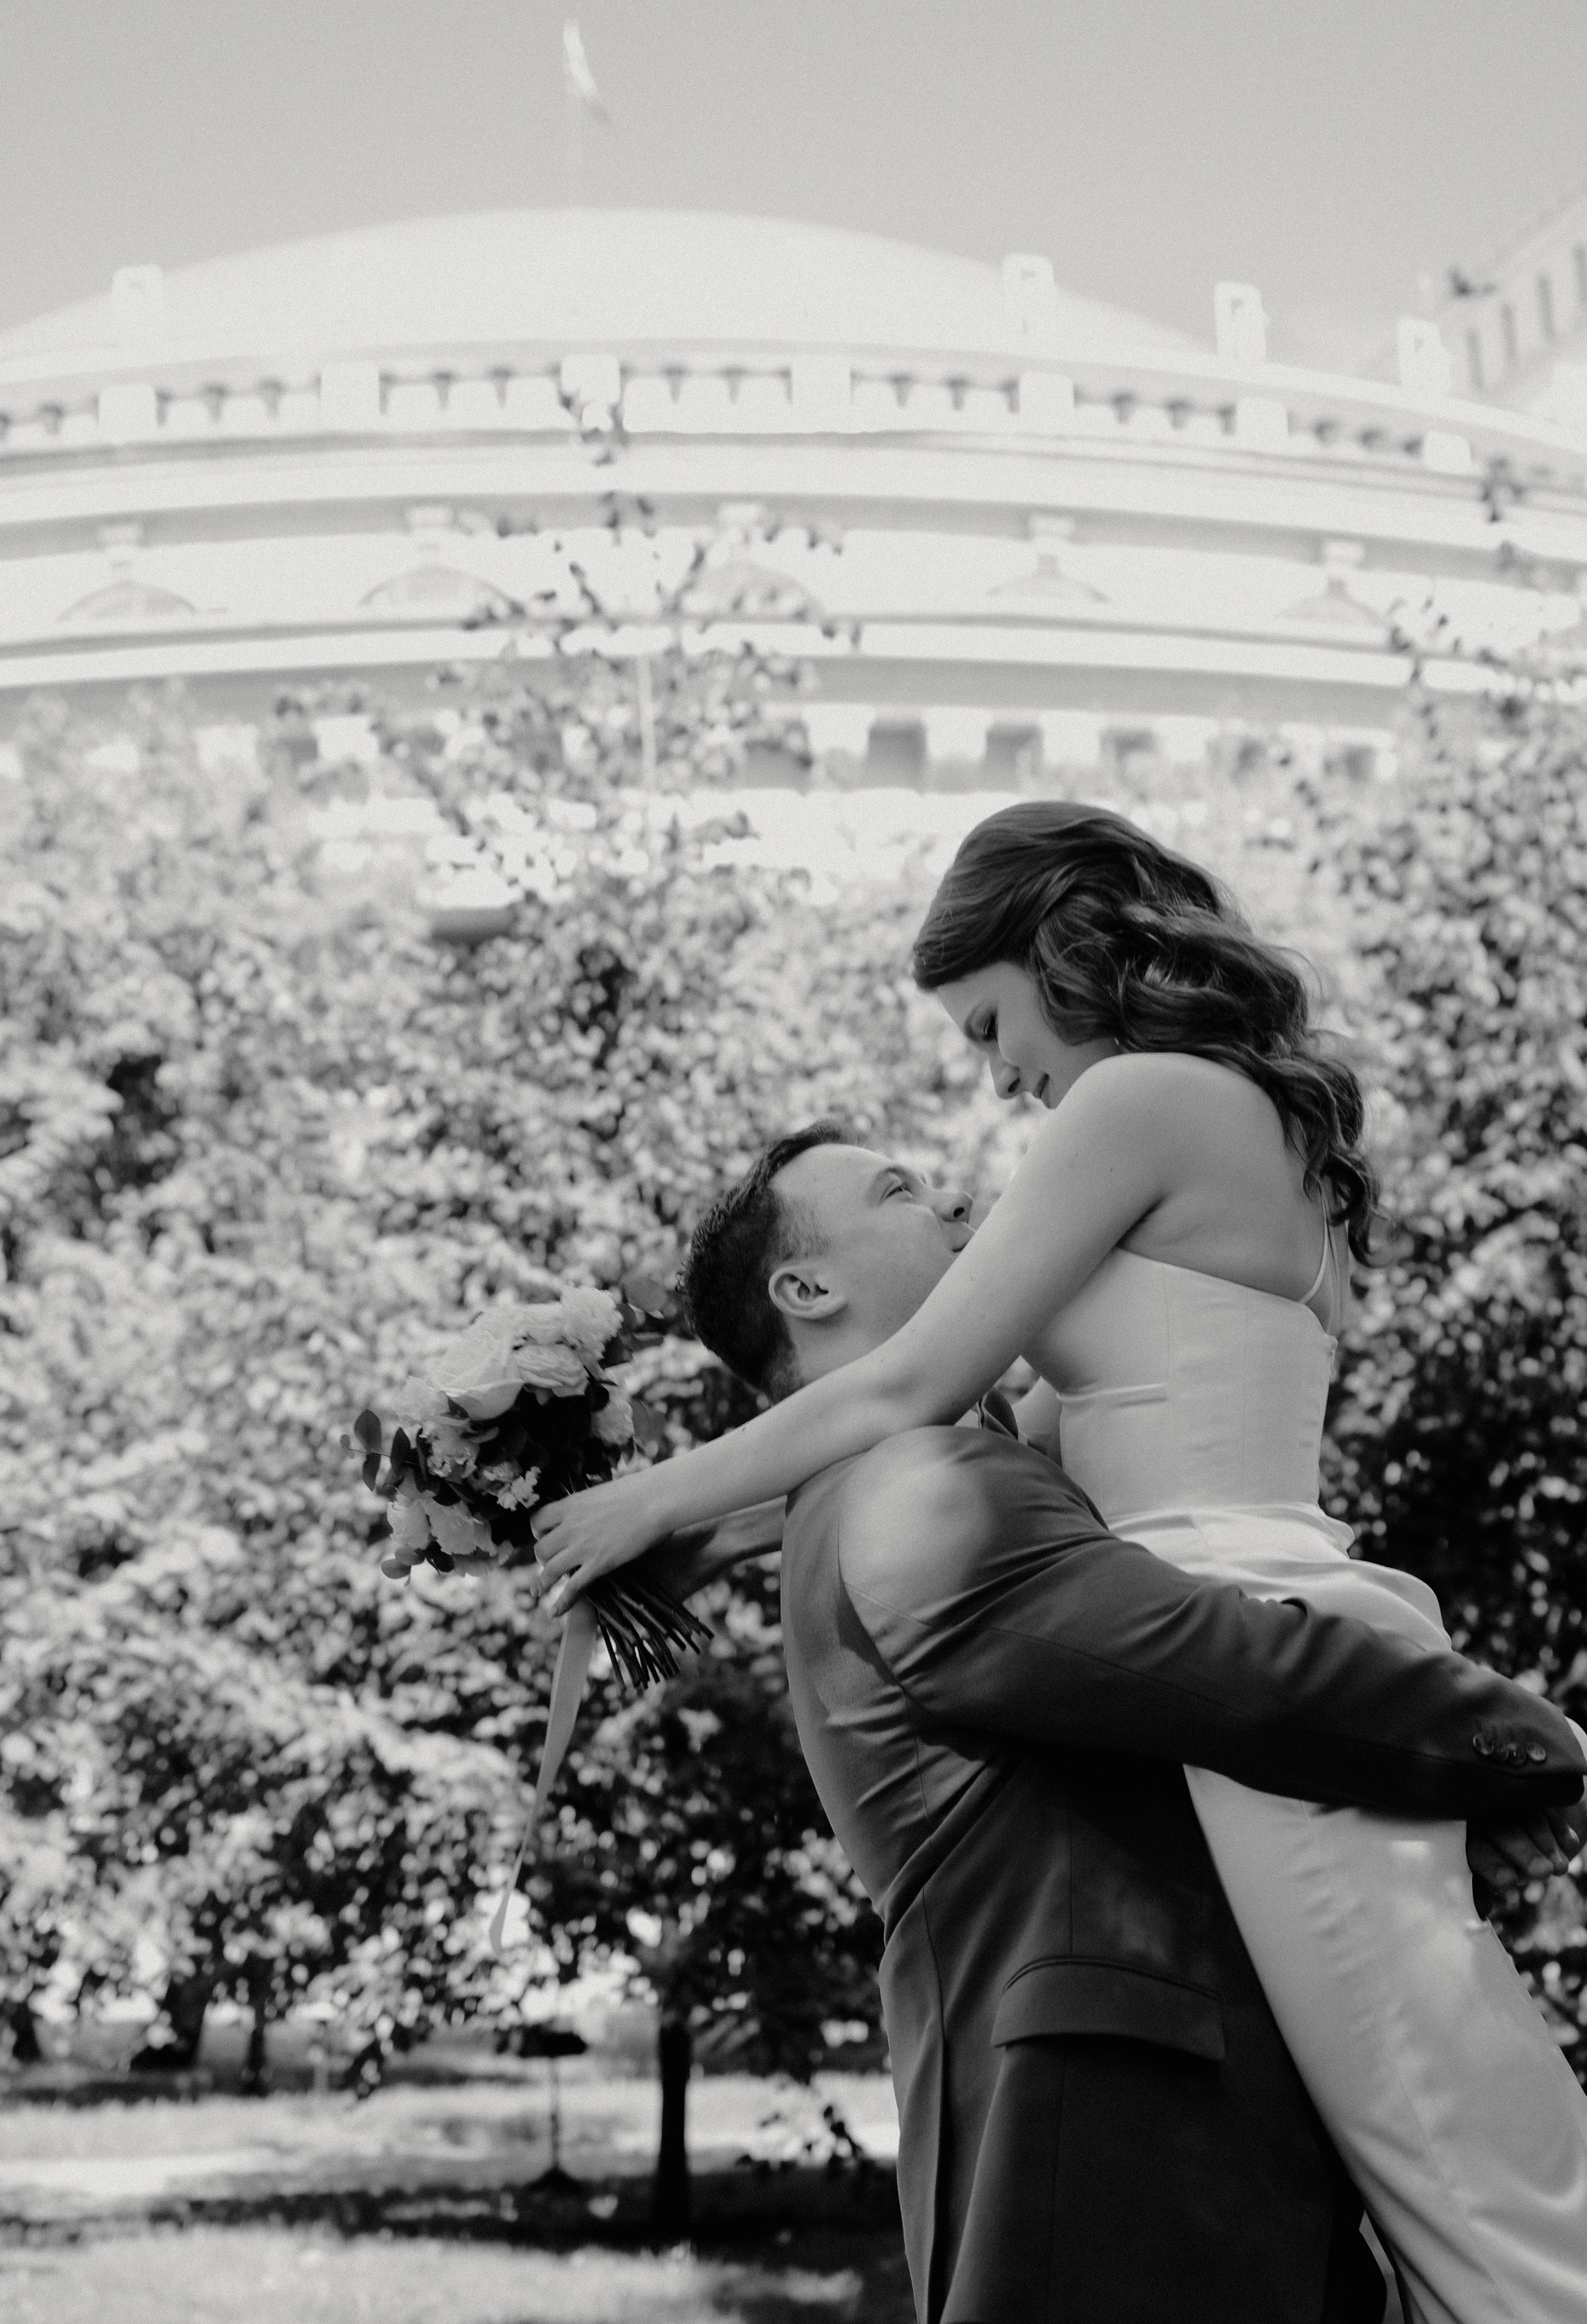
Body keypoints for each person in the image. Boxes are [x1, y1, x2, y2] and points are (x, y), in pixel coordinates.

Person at [534, 803, 1587, 2324]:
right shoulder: (1234, 1124)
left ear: (1061, 946)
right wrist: (686, 1548)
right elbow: (1004, 1432)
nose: (997, 1078)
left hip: (1232, 1641)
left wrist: (648, 1498)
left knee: (1456, 2171)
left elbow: (916, 1388)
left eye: (986, 1025)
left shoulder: (1138, 1100)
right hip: (1255, 1608)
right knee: (1433, 2151)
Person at [654, 1124, 1584, 2324]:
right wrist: (1526, 1747)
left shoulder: (881, 1484)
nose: (958, 1206)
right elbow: (1231, 1670)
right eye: (899, 1193)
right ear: (807, 1289)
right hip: (1113, 2154)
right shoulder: (915, 1492)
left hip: (1145, 2143)